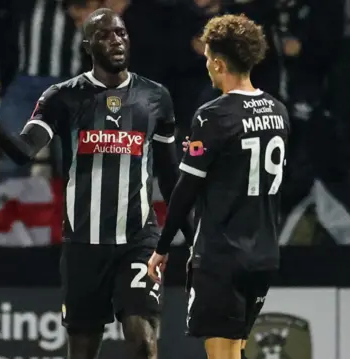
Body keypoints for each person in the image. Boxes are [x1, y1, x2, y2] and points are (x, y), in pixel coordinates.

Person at [0, 8, 193, 359]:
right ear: (88, 45)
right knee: (82, 351)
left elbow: (168, 175)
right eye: (106, 35)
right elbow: (23, 152)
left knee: (142, 340)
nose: (117, 40)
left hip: (137, 240)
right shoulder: (62, 97)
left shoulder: (155, 98)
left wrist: (192, 237)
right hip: (83, 246)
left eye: (121, 33)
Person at [146, 14, 290, 359]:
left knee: (222, 355)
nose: (207, 64)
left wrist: (162, 247)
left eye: (209, 58)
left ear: (220, 63)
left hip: (223, 255)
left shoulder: (214, 115)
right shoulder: (278, 110)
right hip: (264, 253)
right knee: (236, 350)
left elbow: (186, 189)